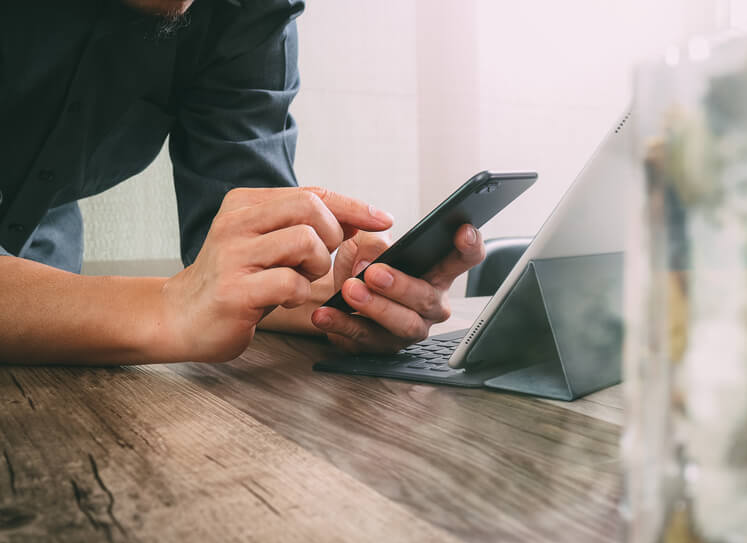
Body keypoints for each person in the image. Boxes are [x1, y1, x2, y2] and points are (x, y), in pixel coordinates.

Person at [0, 0, 485, 364]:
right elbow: (189, 303)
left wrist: (349, 297)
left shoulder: (246, 11)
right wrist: (166, 307)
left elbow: (246, 259)